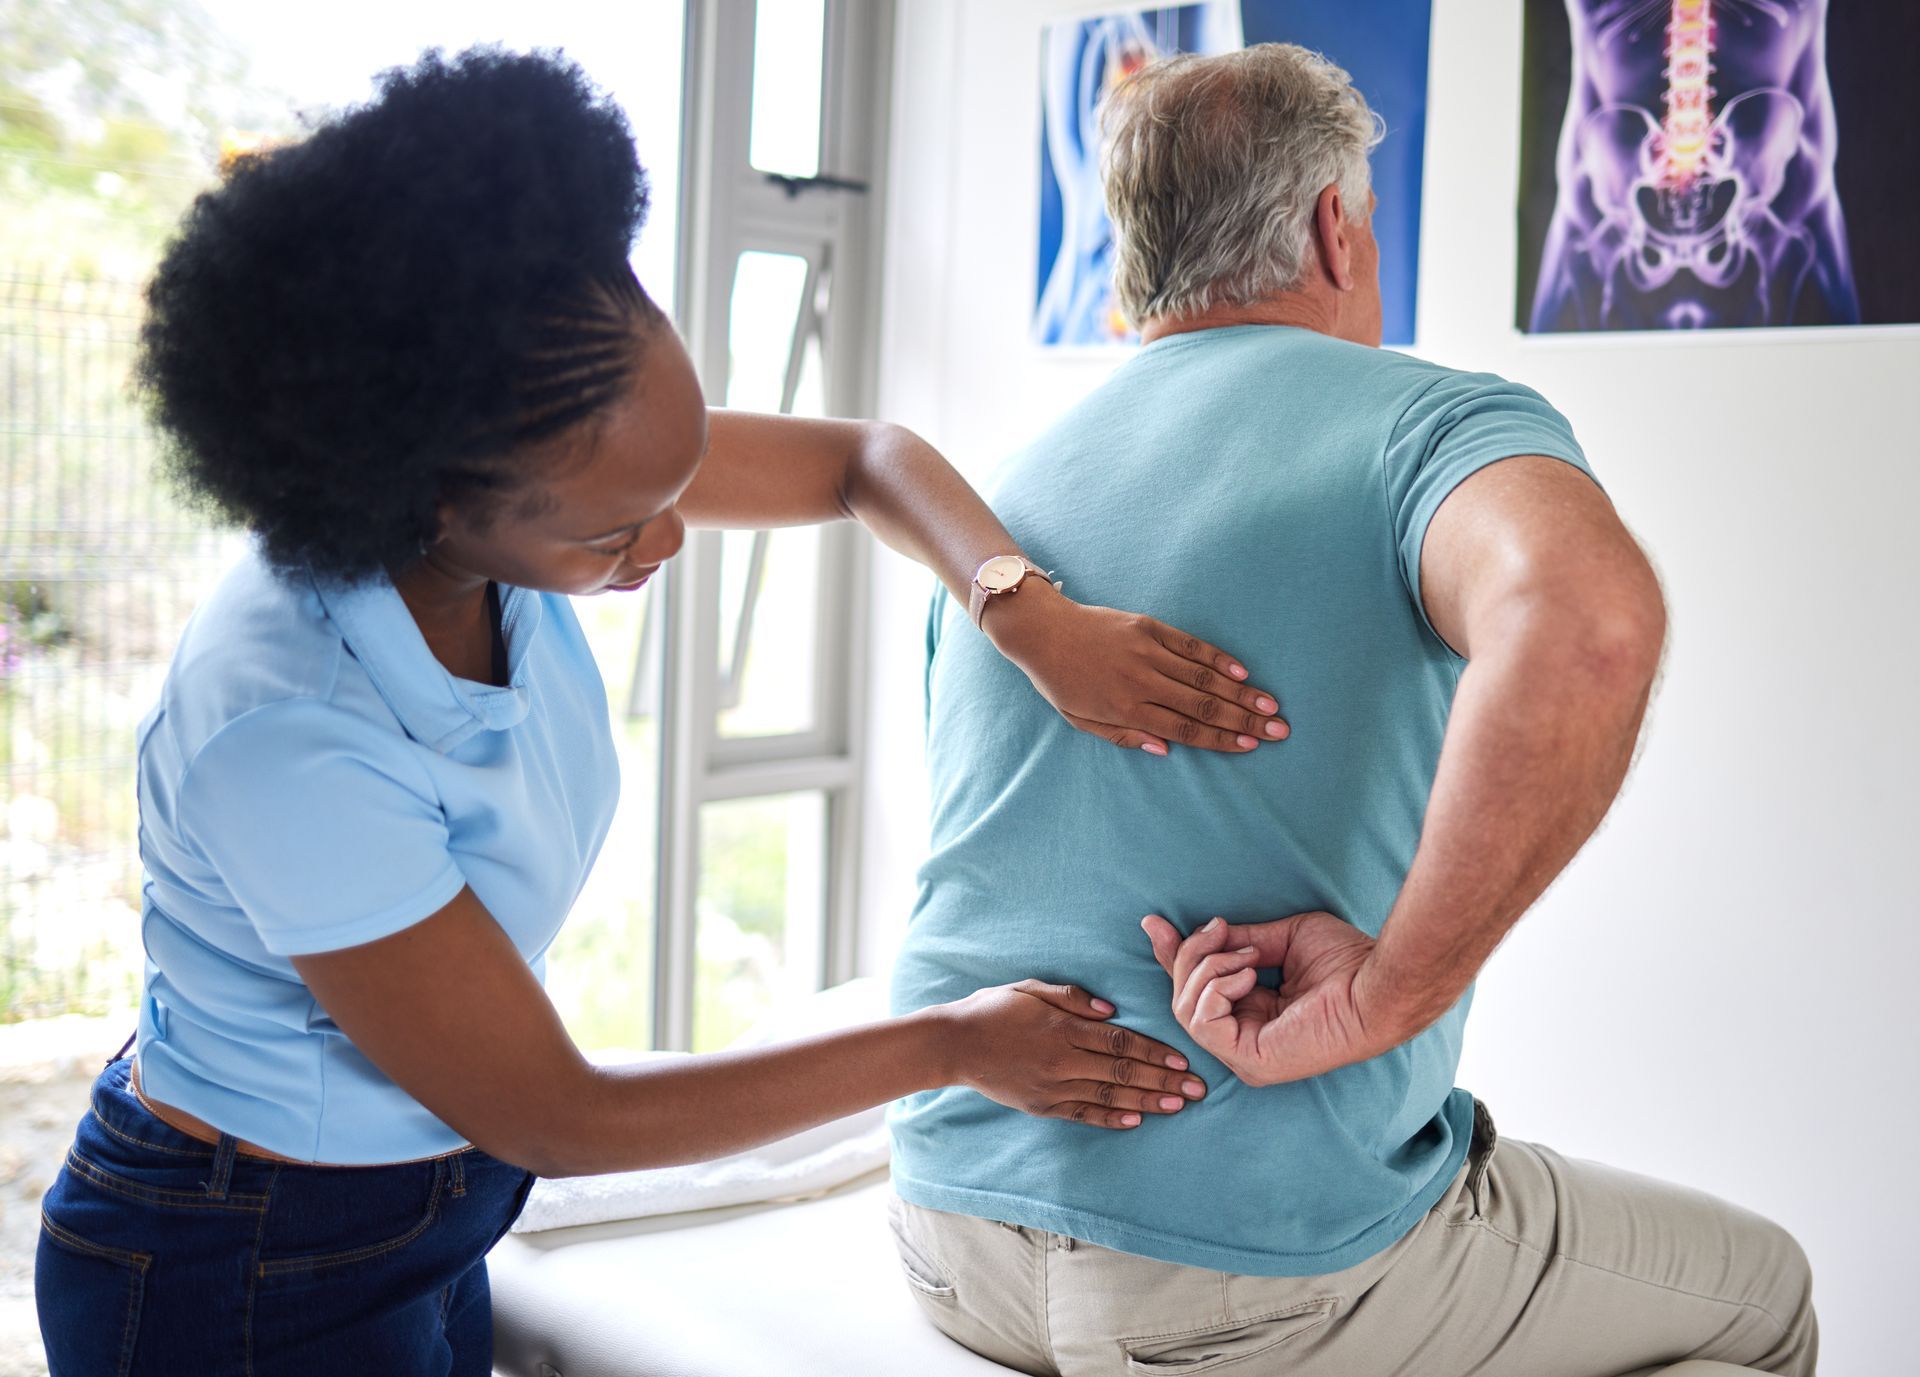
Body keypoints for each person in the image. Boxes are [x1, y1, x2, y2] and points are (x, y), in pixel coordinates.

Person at [31, 48, 1296, 1377]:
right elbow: (559, 1112)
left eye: (681, 471)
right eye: (615, 531)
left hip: (428, 1206)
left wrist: (1022, 610)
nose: (674, 534)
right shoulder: (283, 725)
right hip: (244, 1262)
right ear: (423, 500)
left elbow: (865, 459)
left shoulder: (551, 442)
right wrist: (951, 1043)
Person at [888, 43, 1817, 1377]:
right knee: (1765, 1292)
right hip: (1244, 1278)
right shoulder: (1430, 429)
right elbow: (1594, 629)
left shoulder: (1008, 505)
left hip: (948, 1231)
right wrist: (1380, 999)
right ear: (1337, 225)